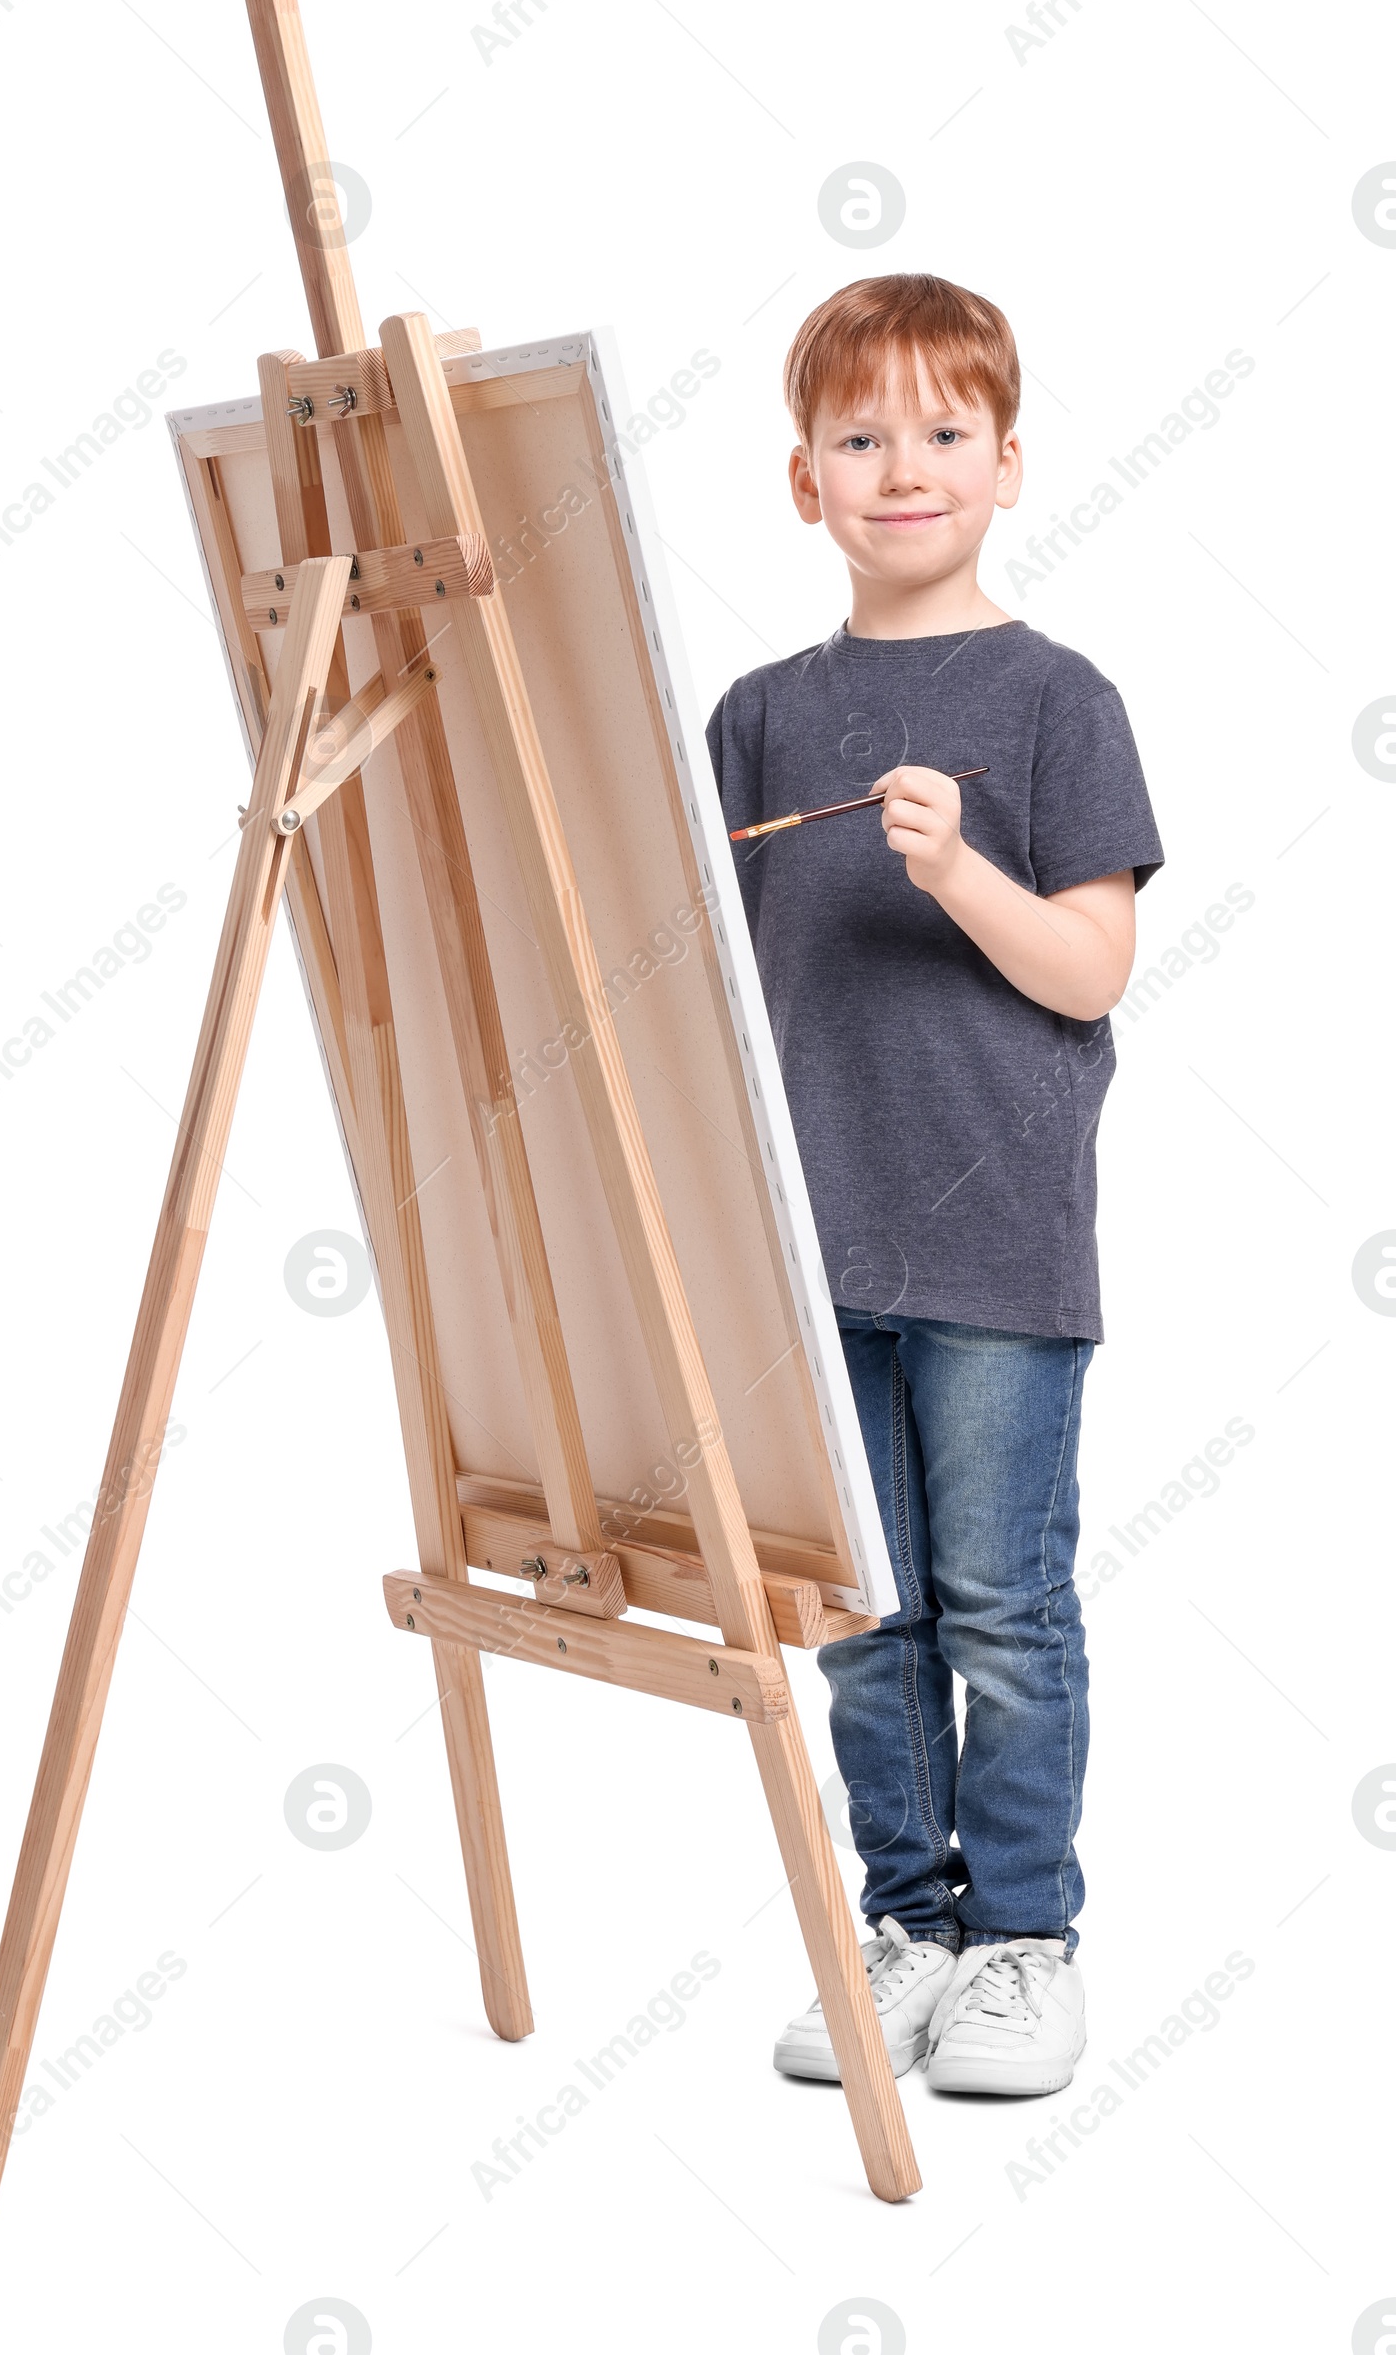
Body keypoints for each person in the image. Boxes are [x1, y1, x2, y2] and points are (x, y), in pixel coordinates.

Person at [706, 273, 1164, 2098]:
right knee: (861, 1614)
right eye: (861, 437)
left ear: (1011, 462)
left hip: (996, 1249)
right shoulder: (751, 716)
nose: (906, 468)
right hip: (811, 1253)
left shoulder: (1060, 700)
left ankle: (1024, 1946)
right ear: (801, 479)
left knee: (1000, 1603)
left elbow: (1091, 970)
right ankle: (907, 1929)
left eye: (945, 434)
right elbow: (707, 985)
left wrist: (962, 871)